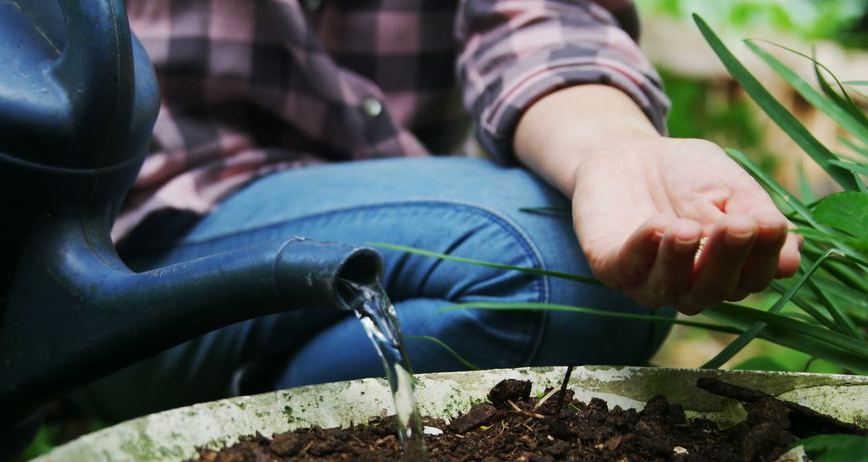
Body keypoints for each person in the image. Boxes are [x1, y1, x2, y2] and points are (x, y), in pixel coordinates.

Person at [75, 0, 801, 420]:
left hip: (393, 216)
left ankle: (251, 427)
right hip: (142, 248)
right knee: (545, 277)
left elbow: (542, 25)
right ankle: (223, 418)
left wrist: (616, 154)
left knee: (611, 280)